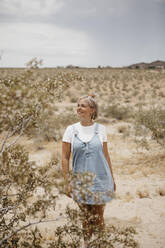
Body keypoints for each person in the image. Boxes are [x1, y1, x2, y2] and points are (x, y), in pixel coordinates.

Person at [62, 94, 116, 247]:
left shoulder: (101, 129)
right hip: (80, 182)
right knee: (86, 217)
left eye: (83, 106)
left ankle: (100, 244)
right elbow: (65, 158)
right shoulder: (71, 130)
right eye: (78, 105)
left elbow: (106, 155)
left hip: (101, 180)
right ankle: (87, 244)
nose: (79, 108)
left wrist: (112, 179)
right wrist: (67, 182)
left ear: (92, 110)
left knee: (98, 217)